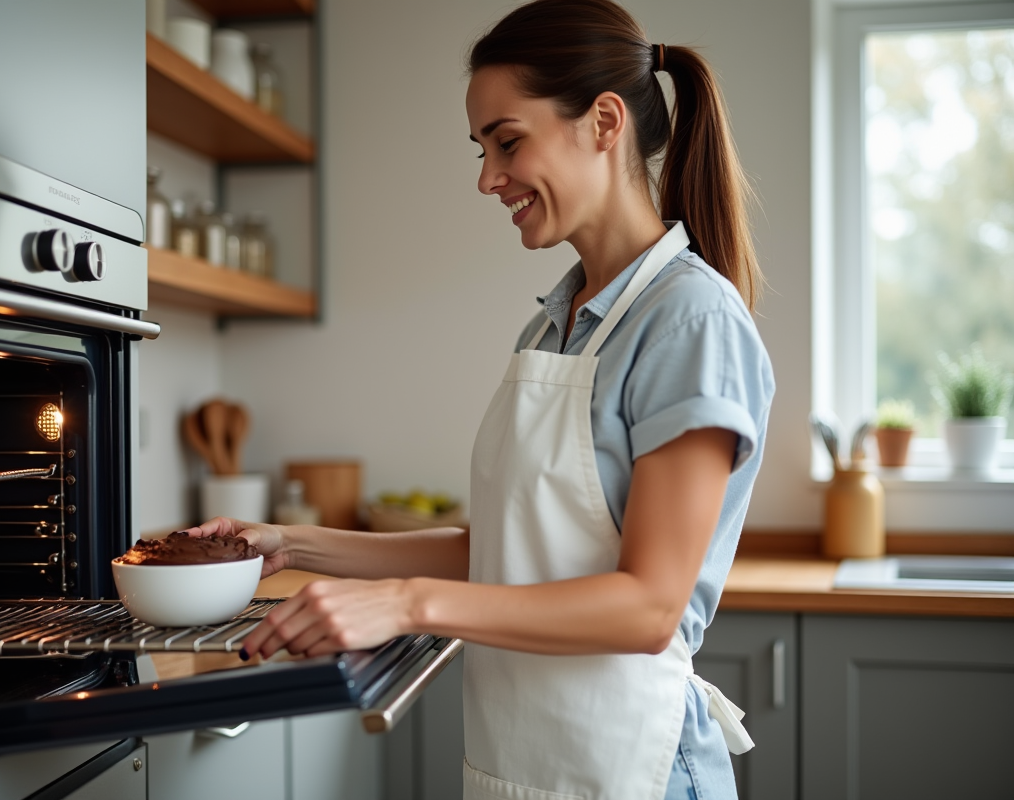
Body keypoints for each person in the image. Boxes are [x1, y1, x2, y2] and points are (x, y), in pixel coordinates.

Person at [186, 1, 775, 797]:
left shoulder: (688, 321)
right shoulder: (555, 322)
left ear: (603, 123)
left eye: (508, 141)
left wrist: (405, 603)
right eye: (482, 149)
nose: (488, 178)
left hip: (631, 768)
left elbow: (647, 607)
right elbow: (505, 551)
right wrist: (291, 545)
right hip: (523, 763)